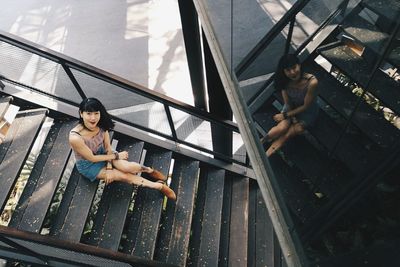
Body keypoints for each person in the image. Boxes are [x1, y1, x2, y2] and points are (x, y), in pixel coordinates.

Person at [69, 97, 176, 200]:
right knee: (124, 176)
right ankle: (159, 186)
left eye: (96, 113)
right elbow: (92, 158)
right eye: (88, 113)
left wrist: (110, 167)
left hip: (105, 153)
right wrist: (116, 156)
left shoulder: (101, 123)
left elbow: (107, 147)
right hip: (88, 165)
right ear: (81, 114)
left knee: (127, 167)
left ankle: (149, 170)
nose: (93, 118)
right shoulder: (75, 137)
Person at [261, 54, 319, 157]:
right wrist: (288, 116)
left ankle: (265, 156)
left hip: (307, 112)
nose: (292, 72)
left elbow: (306, 106)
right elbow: (288, 103)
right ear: (283, 71)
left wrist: (285, 115)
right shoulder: (285, 81)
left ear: (299, 65)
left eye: (294, 67)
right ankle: (262, 141)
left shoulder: (312, 82)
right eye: (288, 70)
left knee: (288, 134)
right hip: (291, 107)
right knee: (281, 128)